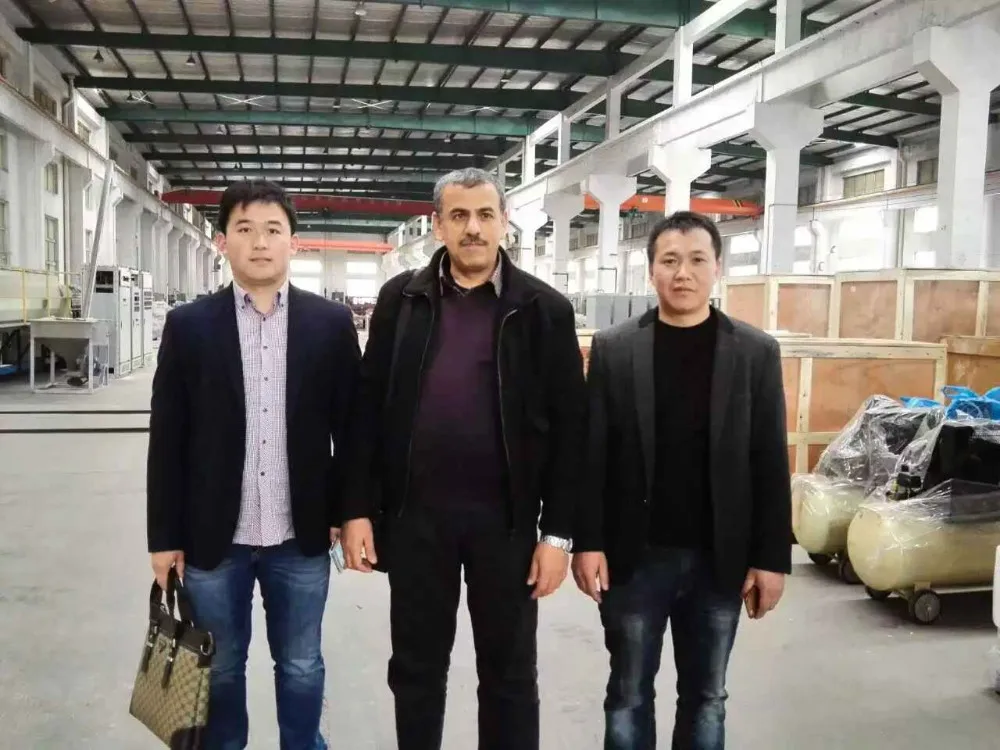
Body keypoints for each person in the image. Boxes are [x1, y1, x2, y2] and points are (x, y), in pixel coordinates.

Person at [339, 168, 587, 750]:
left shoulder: (543, 309)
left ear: (504, 223)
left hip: (507, 526)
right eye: (458, 216)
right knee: (416, 670)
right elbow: (367, 409)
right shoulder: (401, 301)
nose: (472, 228)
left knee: (509, 675)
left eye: (484, 215)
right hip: (415, 521)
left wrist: (558, 535)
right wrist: (356, 509)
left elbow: (571, 432)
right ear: (437, 226)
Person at [146, 180, 360, 750]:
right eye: (244, 229)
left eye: (272, 230)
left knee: (301, 665)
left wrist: (351, 514)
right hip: (215, 539)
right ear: (222, 241)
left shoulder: (330, 324)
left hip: (300, 536)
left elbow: (353, 431)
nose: (259, 242)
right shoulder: (189, 326)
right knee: (219, 667)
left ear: (294, 243)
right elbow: (167, 439)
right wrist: (164, 537)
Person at [572, 211, 792, 750]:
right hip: (634, 558)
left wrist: (771, 559)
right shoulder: (616, 349)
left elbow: (768, 460)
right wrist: (588, 542)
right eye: (669, 261)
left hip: (718, 560)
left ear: (718, 268)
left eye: (697, 260)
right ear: (651, 271)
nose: (683, 273)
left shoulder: (755, 353)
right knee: (628, 694)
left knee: (707, 696)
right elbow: (592, 455)